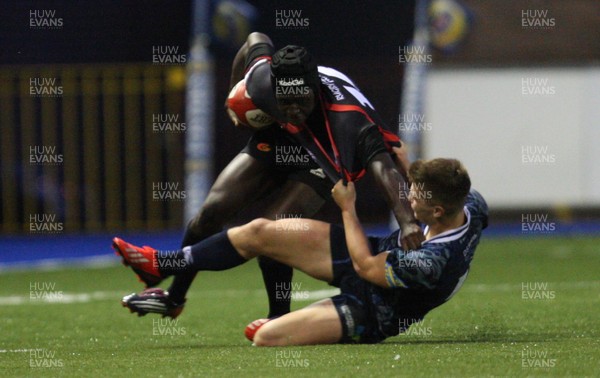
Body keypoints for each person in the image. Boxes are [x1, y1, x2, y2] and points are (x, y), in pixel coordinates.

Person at [152, 32, 423, 319]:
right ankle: (174, 297)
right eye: (286, 100)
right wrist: (233, 96)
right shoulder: (261, 82)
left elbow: (384, 167)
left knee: (275, 232)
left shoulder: (348, 118)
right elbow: (255, 38)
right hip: (282, 138)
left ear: (315, 90)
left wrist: (407, 222)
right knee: (210, 213)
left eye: (300, 100)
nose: (293, 108)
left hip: (323, 156)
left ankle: (278, 319)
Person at [115, 158, 488, 345]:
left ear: (437, 211)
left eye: (415, 195)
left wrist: (347, 206)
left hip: (374, 309)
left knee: (266, 338)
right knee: (260, 231)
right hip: (380, 251)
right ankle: (161, 264)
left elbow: (366, 268)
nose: (407, 197)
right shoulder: (470, 203)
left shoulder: (433, 262)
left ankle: (280, 322)